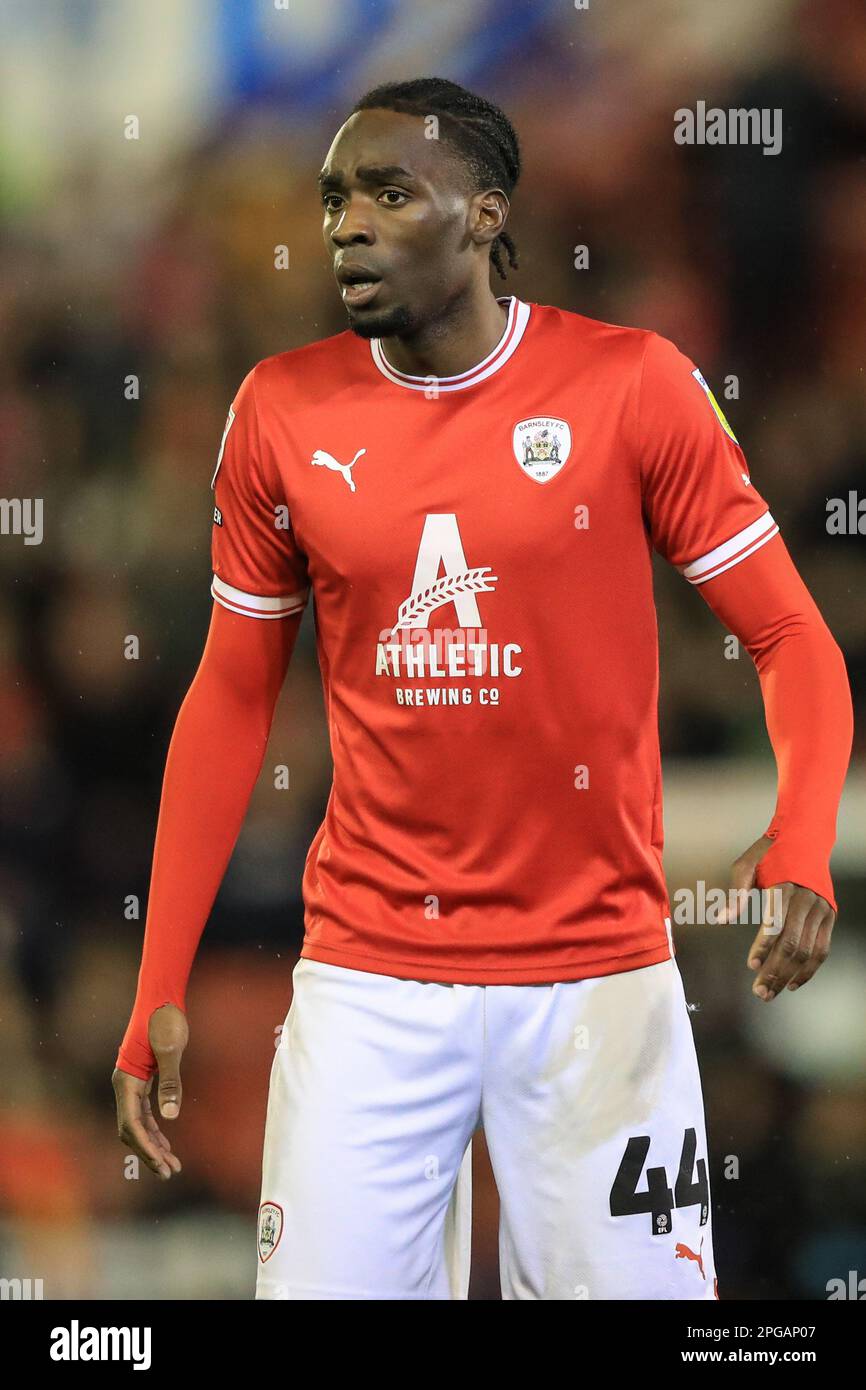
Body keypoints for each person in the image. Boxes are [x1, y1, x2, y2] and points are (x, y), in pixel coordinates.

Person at [113, 77, 853, 1300]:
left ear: (484, 213)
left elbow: (790, 636)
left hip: (598, 980)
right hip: (369, 978)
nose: (346, 223)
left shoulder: (631, 387)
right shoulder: (278, 414)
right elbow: (230, 699)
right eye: (333, 197)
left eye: (389, 192)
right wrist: (160, 980)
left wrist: (806, 840)